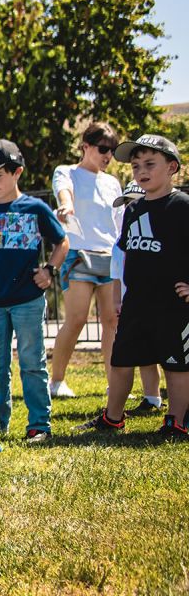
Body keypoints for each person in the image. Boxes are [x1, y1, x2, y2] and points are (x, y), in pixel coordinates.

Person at [79, 135, 189, 440]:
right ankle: (113, 418)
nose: (141, 171)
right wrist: (121, 295)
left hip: (173, 305)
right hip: (137, 303)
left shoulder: (182, 205)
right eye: (136, 165)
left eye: (150, 164)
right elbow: (127, 255)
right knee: (121, 361)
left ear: (172, 167)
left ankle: (177, 421)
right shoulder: (133, 209)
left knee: (176, 365)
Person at [0, 138, 68, 443]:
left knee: (32, 362)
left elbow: (62, 242)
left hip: (28, 301)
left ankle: (39, 424)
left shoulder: (34, 208)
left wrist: (49, 270)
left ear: (17, 172)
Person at [48, 123, 124, 398]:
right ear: (85, 146)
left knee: (111, 320)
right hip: (78, 254)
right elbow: (63, 191)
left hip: (109, 256)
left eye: (112, 151)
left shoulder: (112, 182)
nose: (108, 155)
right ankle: (56, 381)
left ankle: (113, 382)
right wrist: (66, 205)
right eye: (103, 148)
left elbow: (120, 220)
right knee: (77, 318)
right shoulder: (66, 172)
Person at [109, 180, 166, 414]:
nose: (130, 207)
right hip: (131, 304)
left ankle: (168, 399)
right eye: (127, 203)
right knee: (143, 355)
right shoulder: (119, 243)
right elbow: (116, 275)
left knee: (167, 352)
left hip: (158, 302)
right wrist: (116, 301)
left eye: (134, 201)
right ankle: (151, 398)